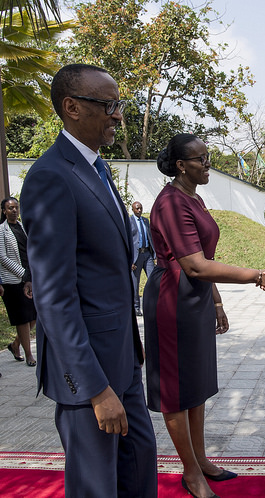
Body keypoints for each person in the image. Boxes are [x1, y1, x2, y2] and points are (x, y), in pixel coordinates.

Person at [20, 64, 157, 497]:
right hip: (90, 375)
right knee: (97, 486)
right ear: (72, 107)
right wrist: (96, 390)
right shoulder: (50, 177)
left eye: (119, 105)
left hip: (123, 360)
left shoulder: (96, 168)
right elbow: (53, 296)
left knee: (138, 471)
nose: (119, 115)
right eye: (109, 105)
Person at [144, 133, 265, 498]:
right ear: (180, 165)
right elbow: (193, 265)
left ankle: (201, 459)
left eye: (208, 157)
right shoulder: (171, 202)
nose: (207, 164)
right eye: (200, 159)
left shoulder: (195, 199)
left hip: (196, 297)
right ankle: (191, 472)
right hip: (172, 300)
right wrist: (256, 275)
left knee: (197, 383)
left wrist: (216, 302)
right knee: (176, 389)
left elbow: (204, 258)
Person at [0, 197, 37, 367]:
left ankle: (15, 345)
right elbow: (2, 257)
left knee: (34, 316)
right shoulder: (2, 231)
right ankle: (28, 354)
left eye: (16, 207)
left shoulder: (23, 227)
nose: (14, 210)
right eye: (10, 208)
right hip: (13, 281)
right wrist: (23, 273)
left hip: (29, 277)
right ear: (4, 211)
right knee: (22, 318)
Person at [130, 201, 155, 316]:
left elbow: (150, 237)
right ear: (133, 209)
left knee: (153, 280)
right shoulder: (129, 222)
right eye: (137, 209)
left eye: (140, 208)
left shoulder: (146, 221)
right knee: (136, 283)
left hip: (147, 254)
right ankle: (136, 307)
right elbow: (128, 241)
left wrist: (154, 255)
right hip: (136, 256)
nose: (139, 211)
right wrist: (130, 260)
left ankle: (152, 305)